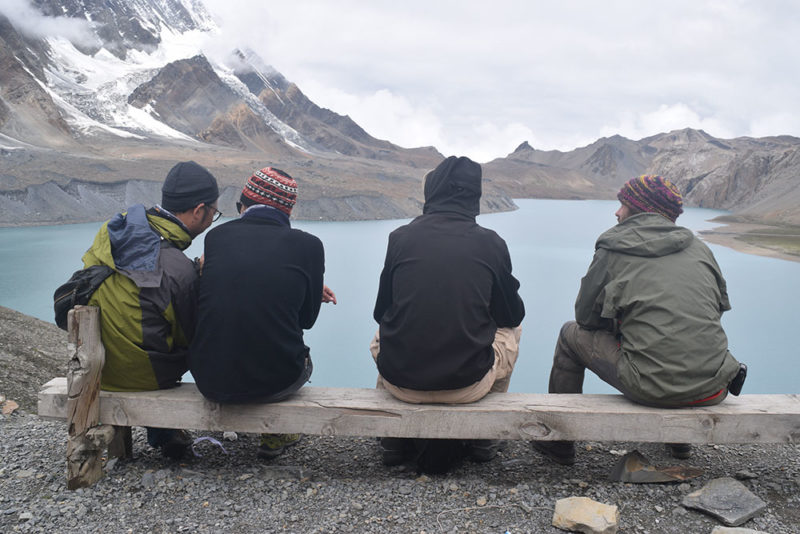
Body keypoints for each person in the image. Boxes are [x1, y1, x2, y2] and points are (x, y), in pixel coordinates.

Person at [534, 174, 745, 466]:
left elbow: (585, 317)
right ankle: (680, 444)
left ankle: (558, 443)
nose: (617, 212)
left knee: (569, 335)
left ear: (640, 209)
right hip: (714, 387)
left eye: (623, 204)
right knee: (676, 335)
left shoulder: (614, 248)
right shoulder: (701, 249)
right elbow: (713, 311)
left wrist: (619, 324)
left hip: (652, 387)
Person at [371, 156, 525, 469]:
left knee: (387, 329)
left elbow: (381, 311)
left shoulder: (400, 238)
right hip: (466, 387)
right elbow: (512, 316)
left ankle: (392, 439)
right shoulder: (491, 244)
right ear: (474, 196)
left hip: (401, 384)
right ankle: (484, 437)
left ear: (432, 193)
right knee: (511, 333)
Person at [189, 166, 336, 459]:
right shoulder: (309, 246)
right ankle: (275, 436)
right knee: (294, 352)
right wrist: (303, 288)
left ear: (243, 204)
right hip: (277, 381)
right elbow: (306, 320)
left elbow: (240, 281)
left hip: (210, 379)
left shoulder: (216, 238)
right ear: (288, 211)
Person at [82, 160, 221, 459]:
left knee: (144, 324)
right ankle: (164, 431)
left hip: (97, 365)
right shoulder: (177, 269)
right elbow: (191, 335)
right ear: (199, 210)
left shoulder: (116, 229)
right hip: (141, 376)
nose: (212, 220)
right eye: (213, 213)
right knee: (196, 341)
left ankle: (164, 435)